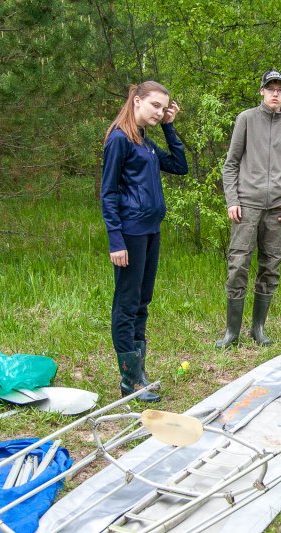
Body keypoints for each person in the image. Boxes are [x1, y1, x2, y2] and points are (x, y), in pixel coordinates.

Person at [101, 81, 188, 402]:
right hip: (130, 234)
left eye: (164, 107)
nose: (160, 112)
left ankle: (139, 372)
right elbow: (108, 193)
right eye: (155, 105)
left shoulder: (144, 141)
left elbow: (179, 166)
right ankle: (130, 380)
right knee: (126, 304)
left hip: (151, 230)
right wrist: (116, 240)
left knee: (142, 301)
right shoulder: (119, 139)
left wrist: (169, 127)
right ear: (137, 101)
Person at [215, 69, 281, 348]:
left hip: (278, 210)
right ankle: (232, 332)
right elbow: (231, 164)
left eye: (280, 89)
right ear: (262, 91)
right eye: (270, 88)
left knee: (271, 267)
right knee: (238, 265)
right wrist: (232, 200)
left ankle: (258, 329)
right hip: (247, 206)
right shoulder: (246, 119)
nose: (275, 93)